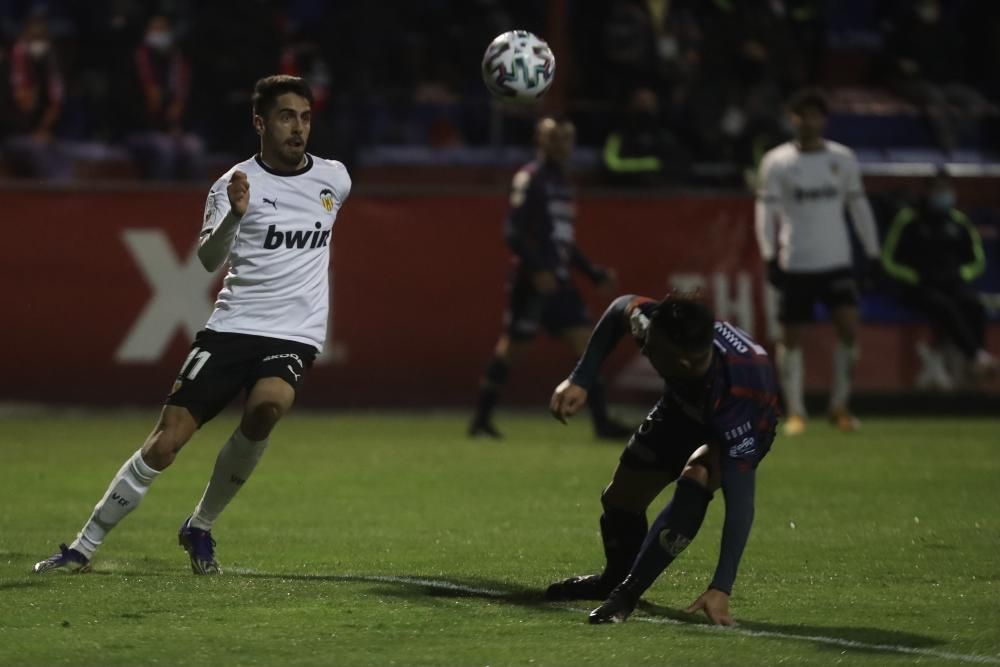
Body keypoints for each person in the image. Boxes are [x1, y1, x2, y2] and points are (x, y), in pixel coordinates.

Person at [33, 75, 351, 575]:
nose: (298, 128)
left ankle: (200, 526)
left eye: (305, 117)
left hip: (293, 333)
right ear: (260, 122)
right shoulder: (233, 184)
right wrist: (234, 217)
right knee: (167, 441)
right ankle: (82, 546)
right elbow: (207, 260)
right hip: (233, 327)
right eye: (287, 116)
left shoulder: (335, 179)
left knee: (268, 406)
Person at [545, 293, 780, 626]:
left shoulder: (740, 395)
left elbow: (740, 504)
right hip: (680, 407)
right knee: (621, 499)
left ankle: (626, 595)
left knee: (698, 474)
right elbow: (619, 308)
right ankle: (612, 580)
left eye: (651, 350)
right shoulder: (661, 328)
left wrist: (721, 587)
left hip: (745, 421)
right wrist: (580, 379)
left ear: (681, 362)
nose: (644, 349)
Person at [469, 117, 631, 440]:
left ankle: (601, 422)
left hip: (559, 282)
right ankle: (480, 420)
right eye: (554, 139)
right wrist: (536, 268)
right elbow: (512, 232)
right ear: (540, 142)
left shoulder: (563, 184)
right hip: (533, 282)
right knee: (511, 348)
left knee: (586, 344)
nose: (562, 146)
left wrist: (591, 272)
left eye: (567, 139)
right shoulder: (531, 179)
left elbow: (564, 243)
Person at [754, 87, 881, 436]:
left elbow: (858, 206)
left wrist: (872, 252)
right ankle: (795, 411)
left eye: (814, 114)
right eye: (801, 114)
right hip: (796, 261)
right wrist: (769, 254)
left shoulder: (842, 159)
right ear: (791, 118)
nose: (807, 120)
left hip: (836, 261)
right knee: (790, 337)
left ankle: (840, 405)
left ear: (823, 119)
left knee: (849, 329)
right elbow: (765, 211)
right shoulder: (776, 161)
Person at [881, 168, 994, 386]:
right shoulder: (909, 220)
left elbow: (977, 261)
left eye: (947, 189)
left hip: (952, 283)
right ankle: (977, 358)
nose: (944, 194)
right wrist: (914, 276)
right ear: (927, 191)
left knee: (975, 305)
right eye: (938, 190)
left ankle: (975, 360)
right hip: (918, 286)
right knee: (943, 306)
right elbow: (888, 259)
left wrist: (960, 273)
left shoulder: (959, 222)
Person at [127, 14, 204, 180]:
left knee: (195, 147)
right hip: (141, 131)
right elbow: (132, 109)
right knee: (165, 149)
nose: (159, 34)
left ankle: (200, 204)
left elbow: (184, 105)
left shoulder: (177, 64)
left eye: (163, 29)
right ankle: (156, 201)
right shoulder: (135, 63)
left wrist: (177, 125)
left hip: (174, 130)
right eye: (155, 29)